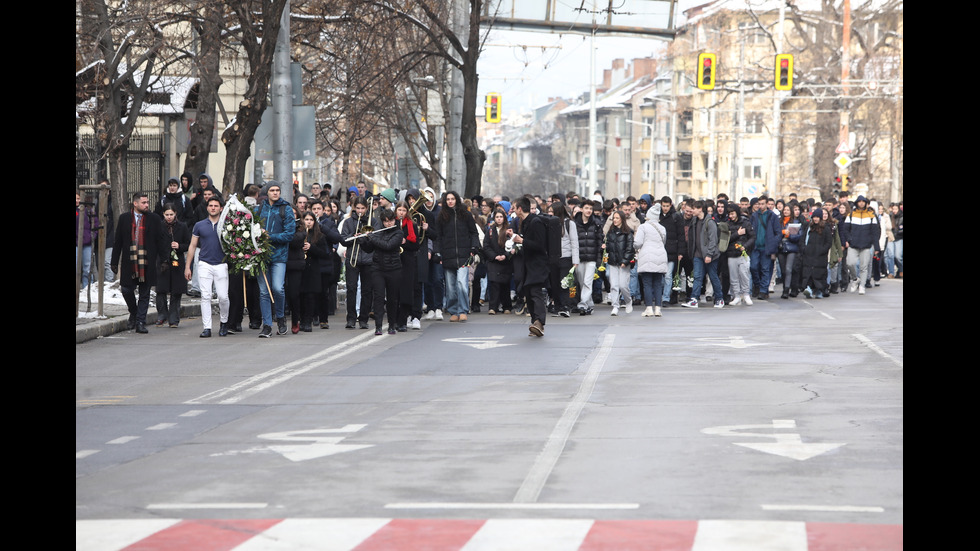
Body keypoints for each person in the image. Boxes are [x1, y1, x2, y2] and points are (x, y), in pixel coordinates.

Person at [112, 192, 168, 333]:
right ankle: (134, 312)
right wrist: (114, 261)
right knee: (126, 289)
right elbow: (118, 241)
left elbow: (160, 240)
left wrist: (164, 259)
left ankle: (140, 322)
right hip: (129, 261)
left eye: (147, 202)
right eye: (143, 203)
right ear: (135, 204)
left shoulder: (154, 219)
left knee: (145, 293)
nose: (147, 205)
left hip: (147, 261)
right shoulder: (124, 218)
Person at [255, 182, 296, 337]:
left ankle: (280, 317)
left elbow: (289, 234)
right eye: (272, 190)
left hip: (279, 256)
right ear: (267, 192)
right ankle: (267, 325)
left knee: (278, 288)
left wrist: (269, 236)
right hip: (262, 255)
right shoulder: (260, 208)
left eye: (277, 190)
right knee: (264, 291)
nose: (275, 193)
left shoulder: (286, 209)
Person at [433, 191, 480, 322]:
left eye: (452, 199)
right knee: (450, 286)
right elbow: (438, 237)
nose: (450, 201)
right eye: (448, 199)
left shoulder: (466, 215)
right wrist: (438, 252)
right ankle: (453, 311)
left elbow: (474, 233)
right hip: (447, 255)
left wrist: (474, 247)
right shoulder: (441, 217)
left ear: (457, 200)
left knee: (462, 284)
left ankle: (463, 310)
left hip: (464, 255)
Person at [508, 197, 549, 337]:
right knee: (529, 293)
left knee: (536, 293)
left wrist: (522, 241)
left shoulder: (536, 222)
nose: (512, 210)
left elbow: (540, 245)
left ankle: (539, 322)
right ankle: (535, 323)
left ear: (520, 209)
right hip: (528, 264)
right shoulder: (524, 222)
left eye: (514, 207)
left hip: (537, 264)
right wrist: (515, 237)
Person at [287, 211, 330, 333]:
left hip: (313, 269)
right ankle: (300, 319)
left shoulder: (320, 236)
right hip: (300, 268)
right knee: (299, 296)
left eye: (311, 220)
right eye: (306, 220)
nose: (309, 222)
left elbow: (325, 254)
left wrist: (312, 248)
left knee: (310, 297)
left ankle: (308, 321)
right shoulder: (298, 233)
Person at [363, 208, 404, 335]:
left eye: (390, 221)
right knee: (379, 298)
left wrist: (372, 238)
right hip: (378, 269)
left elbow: (388, 246)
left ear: (394, 220)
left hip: (394, 269)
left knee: (392, 299)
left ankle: (392, 325)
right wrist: (363, 240)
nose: (388, 224)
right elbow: (369, 249)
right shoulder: (377, 232)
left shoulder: (398, 233)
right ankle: (378, 326)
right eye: (385, 221)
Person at [340, 197, 376, 329]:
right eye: (358, 208)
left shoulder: (373, 221)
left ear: (367, 208)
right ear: (354, 208)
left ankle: (363, 319)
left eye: (363, 208)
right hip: (352, 258)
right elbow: (343, 240)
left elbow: (375, 240)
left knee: (367, 290)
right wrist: (353, 236)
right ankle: (351, 318)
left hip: (368, 259)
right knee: (351, 288)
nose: (360, 211)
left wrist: (367, 237)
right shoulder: (348, 222)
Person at [683, 200, 724, 309]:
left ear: (700, 209)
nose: (692, 210)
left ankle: (719, 299)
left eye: (694, 208)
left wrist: (709, 255)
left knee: (713, 276)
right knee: (697, 277)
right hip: (698, 254)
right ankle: (694, 299)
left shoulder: (709, 222)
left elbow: (713, 240)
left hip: (710, 256)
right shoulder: (694, 221)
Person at [155, 204, 190, 327]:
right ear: (163, 215)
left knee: (176, 290)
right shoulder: (158, 226)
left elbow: (188, 244)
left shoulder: (182, 226)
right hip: (162, 261)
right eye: (166, 215)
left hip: (177, 261)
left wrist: (179, 246)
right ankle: (162, 314)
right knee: (161, 289)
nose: (169, 217)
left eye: (171, 214)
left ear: (175, 214)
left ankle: (173, 318)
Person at [840, 195, 880, 296]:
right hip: (853, 244)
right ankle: (855, 279)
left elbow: (875, 232)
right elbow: (845, 229)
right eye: (860, 201)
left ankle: (862, 286)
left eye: (863, 201)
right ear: (857, 203)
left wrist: (876, 246)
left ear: (866, 203)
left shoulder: (871, 215)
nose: (861, 203)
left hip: (866, 245)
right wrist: (849, 239)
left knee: (864, 267)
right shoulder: (851, 214)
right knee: (850, 263)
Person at [634, 203, 669, 317]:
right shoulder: (662, 228)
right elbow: (663, 242)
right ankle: (658, 308)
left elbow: (638, 243)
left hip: (647, 256)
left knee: (647, 283)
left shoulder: (643, 227)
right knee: (658, 284)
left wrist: (635, 247)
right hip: (661, 255)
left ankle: (649, 308)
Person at [394, 201, 421, 331]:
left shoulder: (412, 225)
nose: (401, 213)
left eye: (404, 211)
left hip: (408, 261)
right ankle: (394, 320)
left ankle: (403, 321)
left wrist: (405, 242)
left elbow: (416, 245)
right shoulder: (392, 224)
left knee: (406, 292)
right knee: (395, 292)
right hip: (393, 261)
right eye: (399, 210)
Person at [572, 199, 603, 316]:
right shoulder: (574, 223)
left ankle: (582, 304)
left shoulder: (596, 223)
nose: (589, 211)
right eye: (586, 208)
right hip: (578, 258)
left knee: (587, 282)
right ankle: (589, 304)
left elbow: (599, 242)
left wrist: (599, 260)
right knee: (581, 282)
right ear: (581, 209)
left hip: (591, 258)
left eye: (590, 209)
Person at [549, 200, 579, 317]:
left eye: (552, 211)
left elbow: (574, 242)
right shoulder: (550, 223)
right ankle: (557, 306)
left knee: (565, 283)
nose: (550, 213)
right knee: (554, 283)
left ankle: (566, 306)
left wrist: (575, 261)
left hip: (566, 258)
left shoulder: (569, 224)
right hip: (553, 258)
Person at [603, 209, 635, 315]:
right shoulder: (611, 232)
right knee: (614, 285)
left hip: (623, 263)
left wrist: (625, 261)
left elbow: (630, 248)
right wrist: (604, 247)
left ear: (622, 219)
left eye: (617, 218)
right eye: (614, 218)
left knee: (623, 285)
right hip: (612, 261)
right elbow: (609, 247)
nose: (615, 220)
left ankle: (628, 300)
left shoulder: (628, 232)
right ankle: (615, 306)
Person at [483, 207, 514, 315]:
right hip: (494, 261)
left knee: (505, 284)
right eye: (497, 217)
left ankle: (507, 306)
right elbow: (486, 246)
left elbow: (512, 244)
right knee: (494, 284)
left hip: (506, 262)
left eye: (501, 217)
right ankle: (493, 307)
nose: (499, 219)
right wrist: (494, 256)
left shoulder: (509, 229)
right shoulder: (490, 230)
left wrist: (506, 255)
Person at [749, 196, 781, 299]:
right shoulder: (754, 216)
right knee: (753, 267)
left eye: (763, 203)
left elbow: (778, 233)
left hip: (767, 247)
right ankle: (757, 286)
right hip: (755, 246)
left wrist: (773, 243)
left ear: (767, 204)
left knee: (765, 269)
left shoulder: (772, 216)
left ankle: (763, 290)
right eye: (759, 204)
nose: (761, 206)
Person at [722, 206, 755, 306]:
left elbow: (752, 237)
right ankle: (736, 296)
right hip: (731, 254)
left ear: (736, 213)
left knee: (744, 274)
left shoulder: (745, 223)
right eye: (729, 214)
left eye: (732, 214)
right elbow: (725, 240)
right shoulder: (727, 224)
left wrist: (745, 246)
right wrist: (737, 233)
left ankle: (746, 294)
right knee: (733, 277)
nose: (731, 216)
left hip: (742, 254)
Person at [799, 208, 834, 298]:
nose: (815, 219)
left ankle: (819, 290)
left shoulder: (825, 228)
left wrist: (822, 250)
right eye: (814, 217)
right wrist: (804, 249)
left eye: (817, 217)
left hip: (820, 256)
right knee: (808, 273)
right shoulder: (809, 227)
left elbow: (828, 242)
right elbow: (802, 239)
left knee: (819, 273)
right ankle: (808, 289)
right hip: (809, 255)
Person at [658, 196, 686, 306]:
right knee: (660, 277)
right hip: (660, 251)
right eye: (663, 206)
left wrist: (680, 252)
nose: (665, 208)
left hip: (672, 251)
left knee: (668, 275)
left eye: (667, 206)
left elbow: (681, 235)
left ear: (671, 205)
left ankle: (666, 298)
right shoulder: (657, 216)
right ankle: (660, 296)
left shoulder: (676, 217)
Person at [776, 204, 804, 299]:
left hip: (791, 247)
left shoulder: (795, 222)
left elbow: (799, 235)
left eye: (788, 210)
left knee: (788, 269)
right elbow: (775, 233)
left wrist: (789, 236)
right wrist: (782, 232)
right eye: (784, 210)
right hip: (781, 248)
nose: (786, 211)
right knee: (783, 271)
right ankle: (785, 286)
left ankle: (786, 290)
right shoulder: (779, 222)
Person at [76, 190, 97, 290]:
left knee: (87, 268)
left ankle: (87, 288)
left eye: (78, 198)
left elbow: (95, 224)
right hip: (76, 243)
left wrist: (92, 236)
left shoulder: (88, 210)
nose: (77, 200)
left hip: (87, 242)